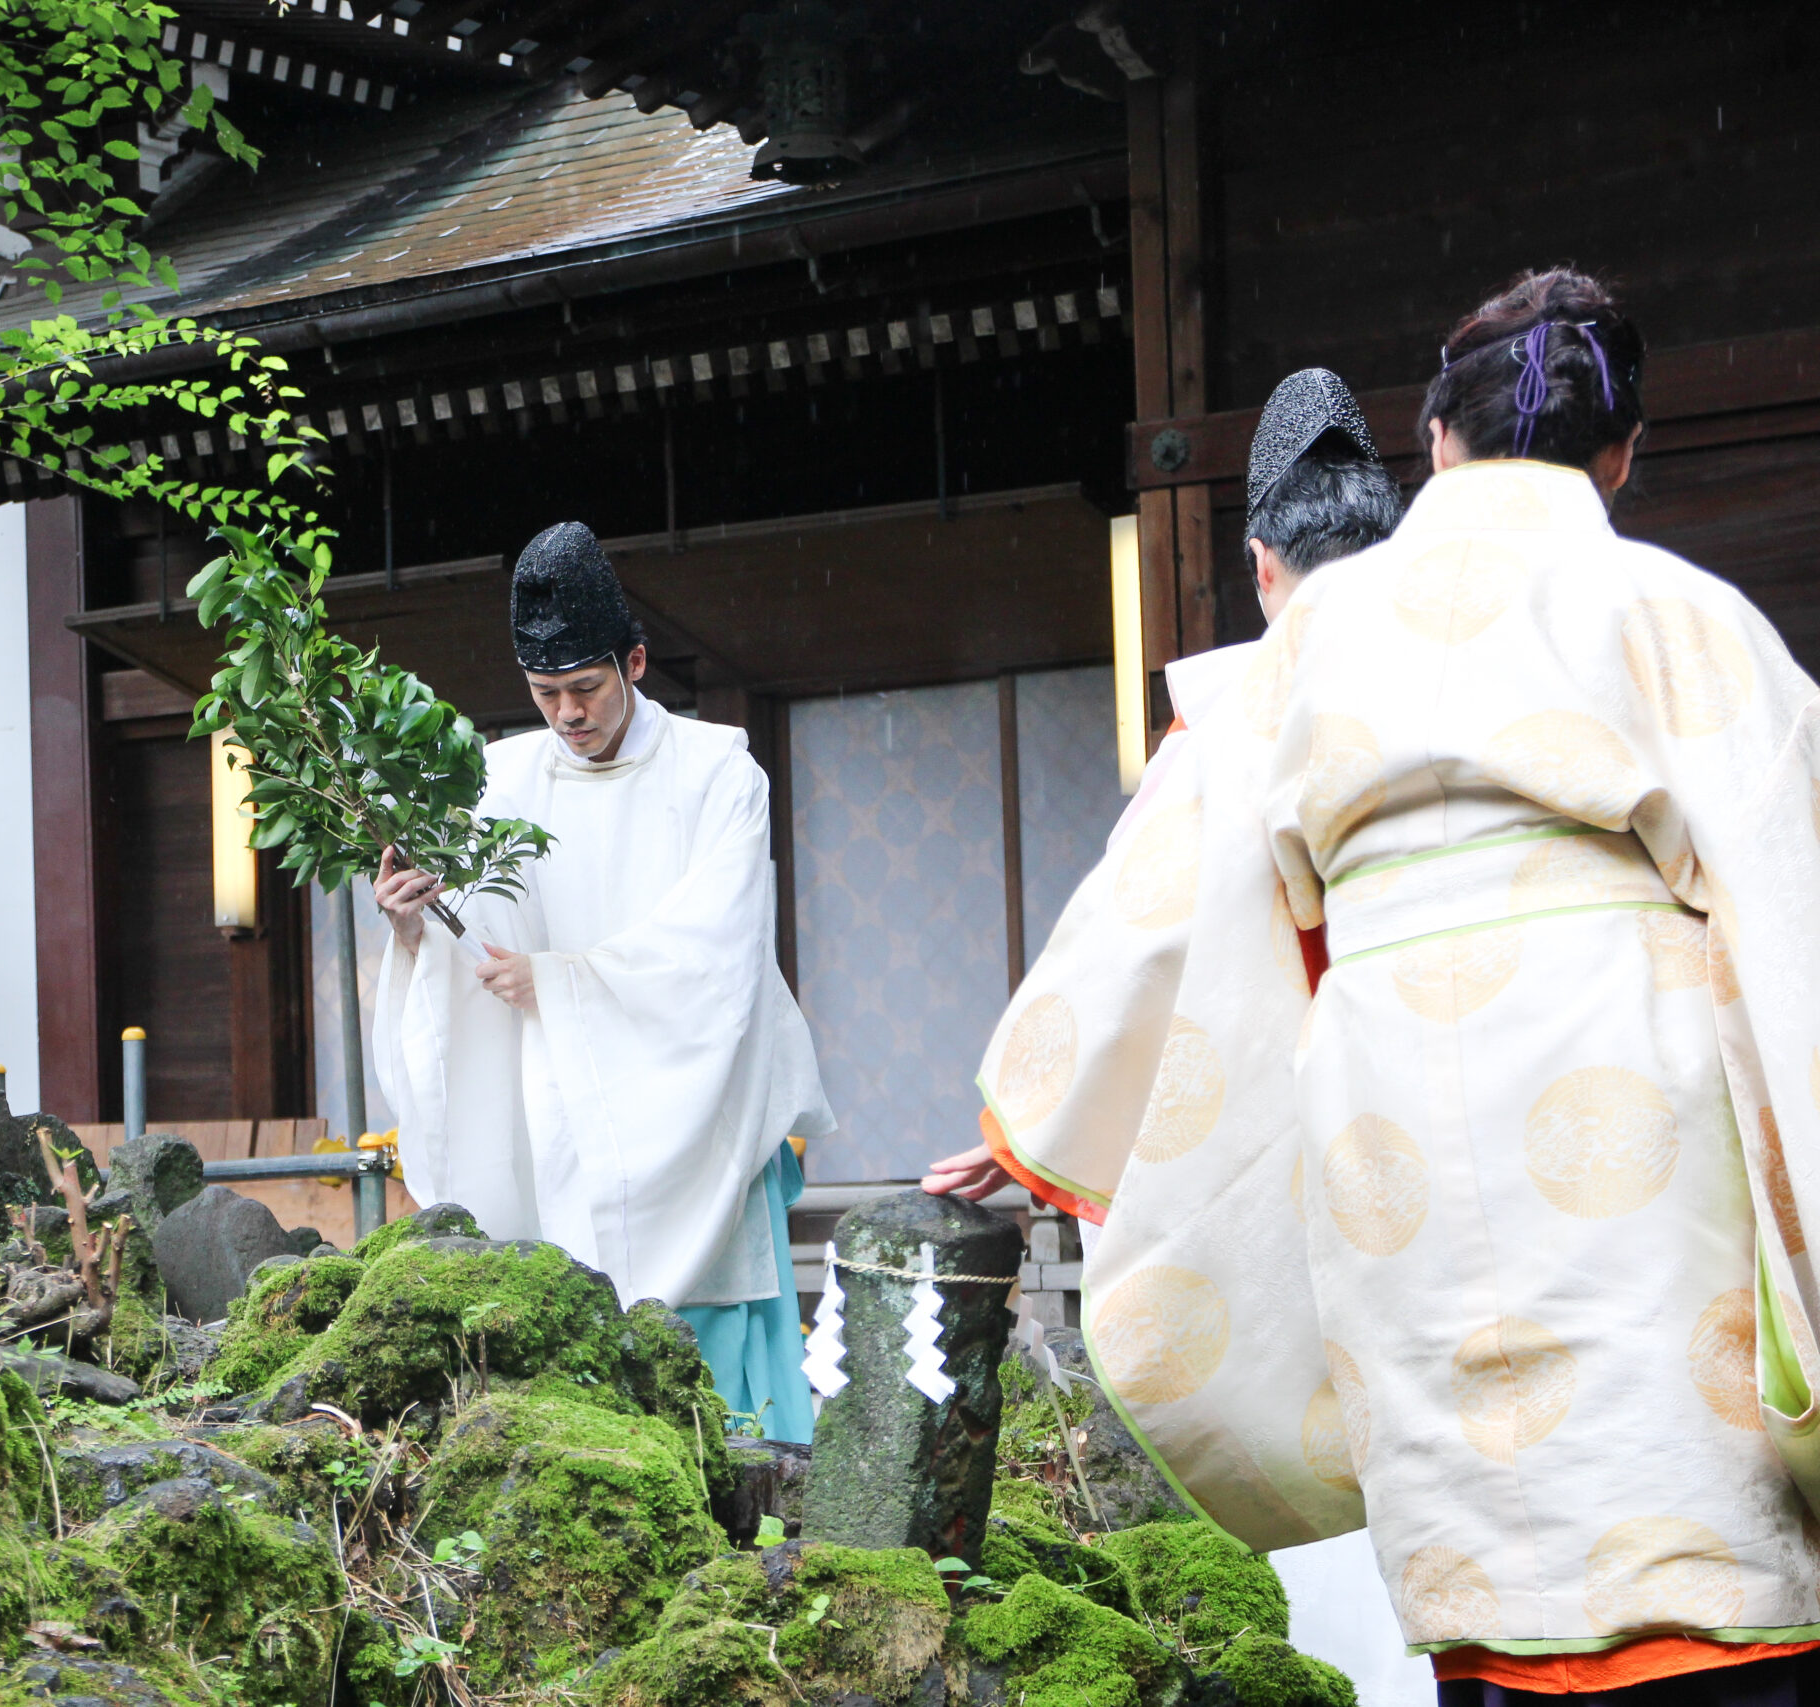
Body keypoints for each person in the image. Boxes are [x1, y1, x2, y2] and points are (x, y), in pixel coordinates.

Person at [952, 266, 1820, 1705]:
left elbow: (1158, 910)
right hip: (1639, 1101)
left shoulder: (1310, 645)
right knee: (1679, 1490)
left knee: (1489, 1525)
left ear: (1435, 443)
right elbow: (1793, 894)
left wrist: (1030, 1116)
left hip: (1398, 1118)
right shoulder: (1685, 612)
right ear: (1622, 456)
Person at [926, 369, 1432, 1705]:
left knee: (1334, 1417)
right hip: (1471, 1137)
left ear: (1263, 563)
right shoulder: (1474, 685)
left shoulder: (1230, 728)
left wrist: (1017, 1132)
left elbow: (1130, 947)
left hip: (1312, 1156)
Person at [371, 520, 835, 1444]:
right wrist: (412, 921)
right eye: (544, 693)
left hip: (692, 1097)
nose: (567, 714)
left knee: (718, 1366)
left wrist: (564, 984)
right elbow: (477, 949)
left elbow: (719, 952)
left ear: (634, 661)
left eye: (585, 688)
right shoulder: (495, 780)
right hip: (555, 1107)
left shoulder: (717, 773)